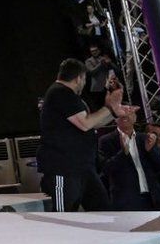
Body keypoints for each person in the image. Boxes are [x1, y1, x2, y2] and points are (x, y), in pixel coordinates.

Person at [37, 58, 137, 212]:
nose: (84, 84)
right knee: (65, 215)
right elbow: (86, 123)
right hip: (64, 168)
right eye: (84, 80)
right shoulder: (60, 93)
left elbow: (93, 123)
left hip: (84, 167)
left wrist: (115, 112)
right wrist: (111, 106)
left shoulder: (70, 97)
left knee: (102, 210)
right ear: (79, 78)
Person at [98, 111, 160, 210]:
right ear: (115, 118)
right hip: (126, 201)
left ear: (135, 118)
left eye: (129, 113)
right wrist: (123, 153)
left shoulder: (145, 138)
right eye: (120, 113)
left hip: (153, 198)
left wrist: (150, 151)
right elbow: (105, 169)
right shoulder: (106, 140)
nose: (125, 116)